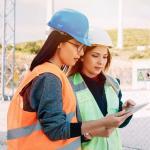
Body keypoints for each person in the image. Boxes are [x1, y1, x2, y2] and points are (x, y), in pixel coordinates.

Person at [7, 9, 132, 150]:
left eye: (83, 48)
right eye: (77, 46)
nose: (81, 52)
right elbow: (56, 130)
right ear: (59, 42)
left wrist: (88, 133)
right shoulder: (49, 78)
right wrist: (102, 122)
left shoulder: (43, 71)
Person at [69, 27, 135, 150]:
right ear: (82, 55)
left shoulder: (114, 83)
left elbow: (118, 125)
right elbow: (62, 131)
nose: (101, 62)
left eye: (105, 57)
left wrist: (126, 111)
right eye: (95, 55)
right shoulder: (68, 86)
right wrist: (90, 134)